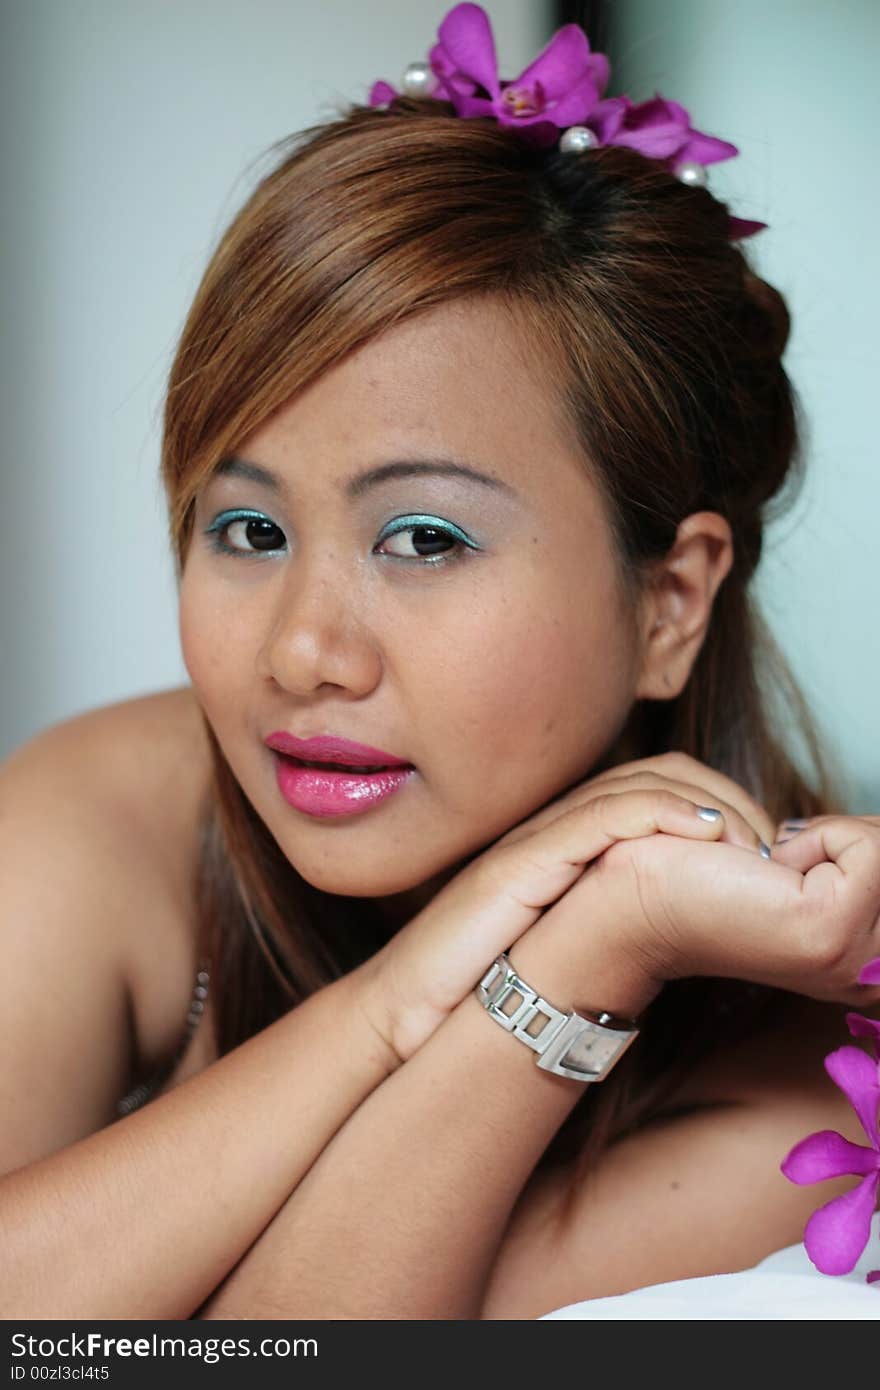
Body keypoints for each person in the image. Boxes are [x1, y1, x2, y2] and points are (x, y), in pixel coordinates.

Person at [2, 4, 878, 1321]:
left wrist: (593, 943)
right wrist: (399, 993)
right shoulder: (111, 810)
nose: (302, 651)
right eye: (247, 528)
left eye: (423, 536)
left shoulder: (807, 1085)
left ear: (670, 603)